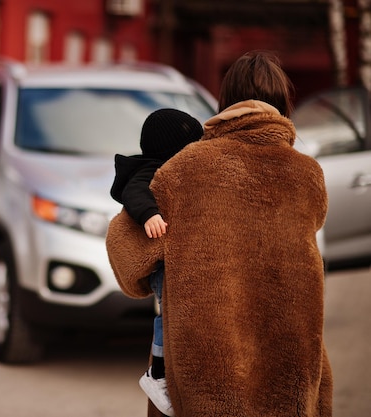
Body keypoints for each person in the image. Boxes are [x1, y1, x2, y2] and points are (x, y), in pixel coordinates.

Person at [106, 50, 333, 417]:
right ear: (282, 106)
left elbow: (128, 259)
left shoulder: (185, 170)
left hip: (205, 385)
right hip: (291, 374)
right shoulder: (309, 176)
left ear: (225, 102)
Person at [110, 108, 203, 416]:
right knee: (168, 315)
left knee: (178, 317)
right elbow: (133, 193)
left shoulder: (183, 171)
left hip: (180, 262)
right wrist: (149, 214)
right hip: (163, 266)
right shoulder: (152, 170)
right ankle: (159, 374)